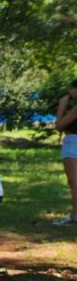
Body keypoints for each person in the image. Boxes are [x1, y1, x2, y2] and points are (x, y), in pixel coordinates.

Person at [53, 80, 77, 225]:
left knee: (74, 183)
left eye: (72, 89)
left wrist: (61, 107)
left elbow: (59, 125)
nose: (70, 93)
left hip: (73, 143)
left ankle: (75, 216)